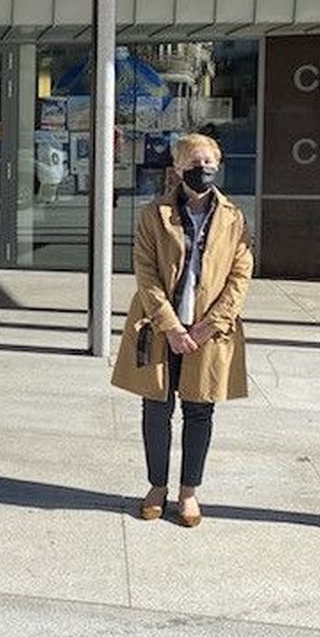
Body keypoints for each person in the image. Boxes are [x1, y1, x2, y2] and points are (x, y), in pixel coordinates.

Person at [111, 132, 252, 528]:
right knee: (156, 408)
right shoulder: (152, 215)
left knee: (199, 409)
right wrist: (170, 325)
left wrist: (209, 325)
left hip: (208, 329)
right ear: (177, 168)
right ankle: (157, 486)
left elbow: (240, 275)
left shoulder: (233, 217)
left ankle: (189, 491)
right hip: (160, 328)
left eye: (209, 162)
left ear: (219, 165)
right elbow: (146, 274)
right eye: (193, 163)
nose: (202, 169)